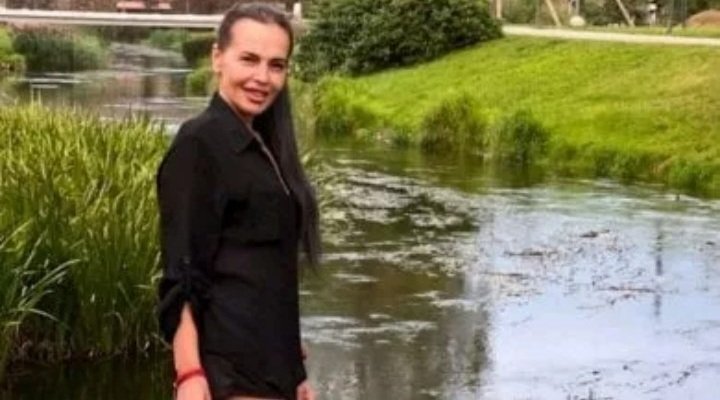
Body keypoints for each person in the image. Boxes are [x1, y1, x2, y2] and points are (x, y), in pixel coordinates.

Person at [155, 4, 320, 400]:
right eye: (249, 59)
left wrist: (295, 371)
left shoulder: (265, 144)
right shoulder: (200, 144)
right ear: (217, 58)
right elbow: (183, 273)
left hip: (273, 374)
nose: (262, 77)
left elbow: (269, 269)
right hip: (230, 376)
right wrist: (189, 373)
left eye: (276, 65)